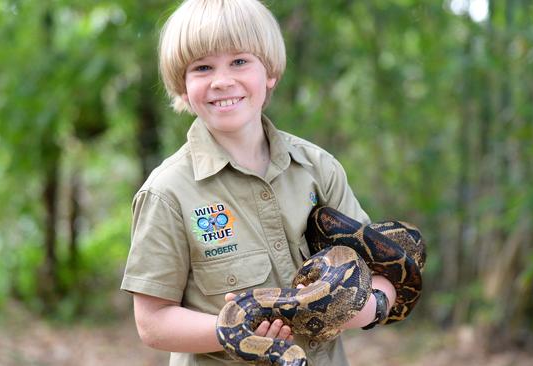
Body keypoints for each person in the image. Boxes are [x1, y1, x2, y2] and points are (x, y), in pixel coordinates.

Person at [120, 0, 396, 364]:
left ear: (270, 73)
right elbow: (153, 324)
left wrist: (372, 305)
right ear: (183, 87)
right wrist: (239, 325)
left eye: (239, 61)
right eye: (203, 67)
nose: (222, 81)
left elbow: (382, 269)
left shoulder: (318, 167)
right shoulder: (168, 192)